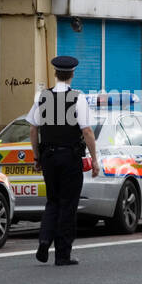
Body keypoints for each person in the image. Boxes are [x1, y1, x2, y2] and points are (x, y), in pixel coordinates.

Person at [27, 55, 101, 266]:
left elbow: (33, 129)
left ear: (55, 73)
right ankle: (62, 254)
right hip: (69, 157)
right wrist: (94, 160)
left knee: (53, 201)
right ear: (72, 74)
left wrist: (37, 156)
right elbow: (86, 131)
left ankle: (44, 240)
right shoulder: (78, 97)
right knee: (68, 204)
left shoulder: (42, 97)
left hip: (48, 157)